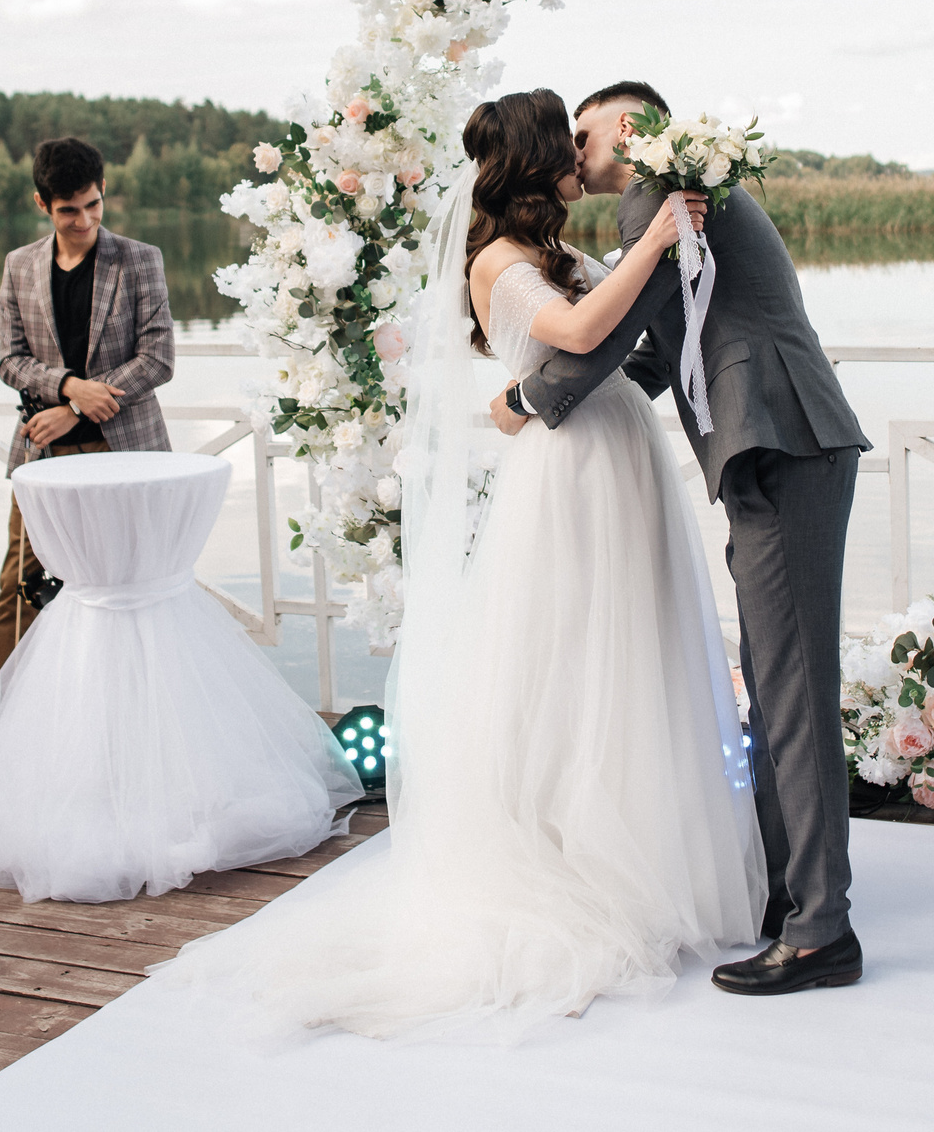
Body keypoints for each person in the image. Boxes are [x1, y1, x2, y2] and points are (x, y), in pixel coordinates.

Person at [158, 88, 761, 1041]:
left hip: (616, 454)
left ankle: (647, 844)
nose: (576, 156)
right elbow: (577, 332)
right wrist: (653, 243)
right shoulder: (499, 261)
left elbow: (629, 326)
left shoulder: (560, 252)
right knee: (568, 660)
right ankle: (572, 857)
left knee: (630, 651)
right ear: (532, 160)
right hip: (566, 478)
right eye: (563, 144)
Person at [509, 80, 872, 996]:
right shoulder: (674, 201)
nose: (570, 151)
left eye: (581, 133)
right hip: (778, 443)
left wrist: (526, 396)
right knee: (777, 680)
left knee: (792, 690)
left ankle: (822, 927)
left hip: (781, 437)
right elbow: (656, 347)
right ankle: (790, 893)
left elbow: (613, 329)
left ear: (626, 128)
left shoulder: (660, 199)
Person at [0, 138, 174, 782]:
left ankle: (131, 721)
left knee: (129, 582)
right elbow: (10, 359)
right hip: (43, 450)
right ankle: (0, 726)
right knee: (22, 585)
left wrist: (88, 403)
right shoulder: (19, 266)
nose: (86, 221)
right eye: (70, 211)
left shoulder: (140, 260)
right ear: (42, 203)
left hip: (127, 450)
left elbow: (159, 358)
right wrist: (68, 389)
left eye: (94, 205)